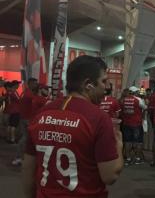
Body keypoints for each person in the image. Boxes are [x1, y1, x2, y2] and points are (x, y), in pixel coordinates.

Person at [22, 55, 123, 198]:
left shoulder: (42, 113)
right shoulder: (98, 118)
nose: (107, 87)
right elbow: (110, 175)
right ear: (88, 84)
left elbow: (28, 168)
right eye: (104, 81)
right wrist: (119, 146)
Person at [12, 78, 38, 166]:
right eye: (34, 84)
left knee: (25, 138)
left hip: (24, 118)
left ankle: (20, 157)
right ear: (30, 84)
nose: (36, 85)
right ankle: (18, 157)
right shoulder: (29, 94)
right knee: (25, 139)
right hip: (26, 119)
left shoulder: (25, 92)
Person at [121, 86, 145, 165]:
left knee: (127, 141)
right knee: (138, 141)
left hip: (126, 123)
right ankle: (137, 159)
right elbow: (145, 107)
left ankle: (128, 158)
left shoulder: (124, 100)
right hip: (136, 124)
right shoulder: (138, 100)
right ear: (135, 92)